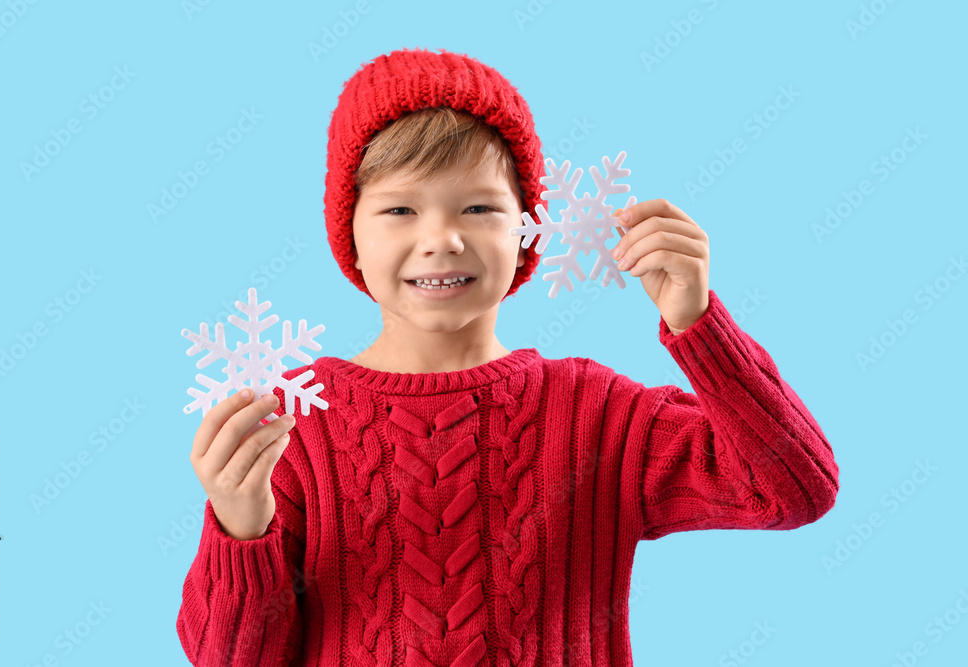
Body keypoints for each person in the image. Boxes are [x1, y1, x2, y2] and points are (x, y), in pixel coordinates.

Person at [175, 47, 839, 667]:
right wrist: (239, 527)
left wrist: (699, 326)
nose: (442, 238)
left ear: (528, 226)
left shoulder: (598, 415)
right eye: (400, 208)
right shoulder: (295, 423)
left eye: (479, 207)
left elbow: (793, 487)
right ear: (347, 230)